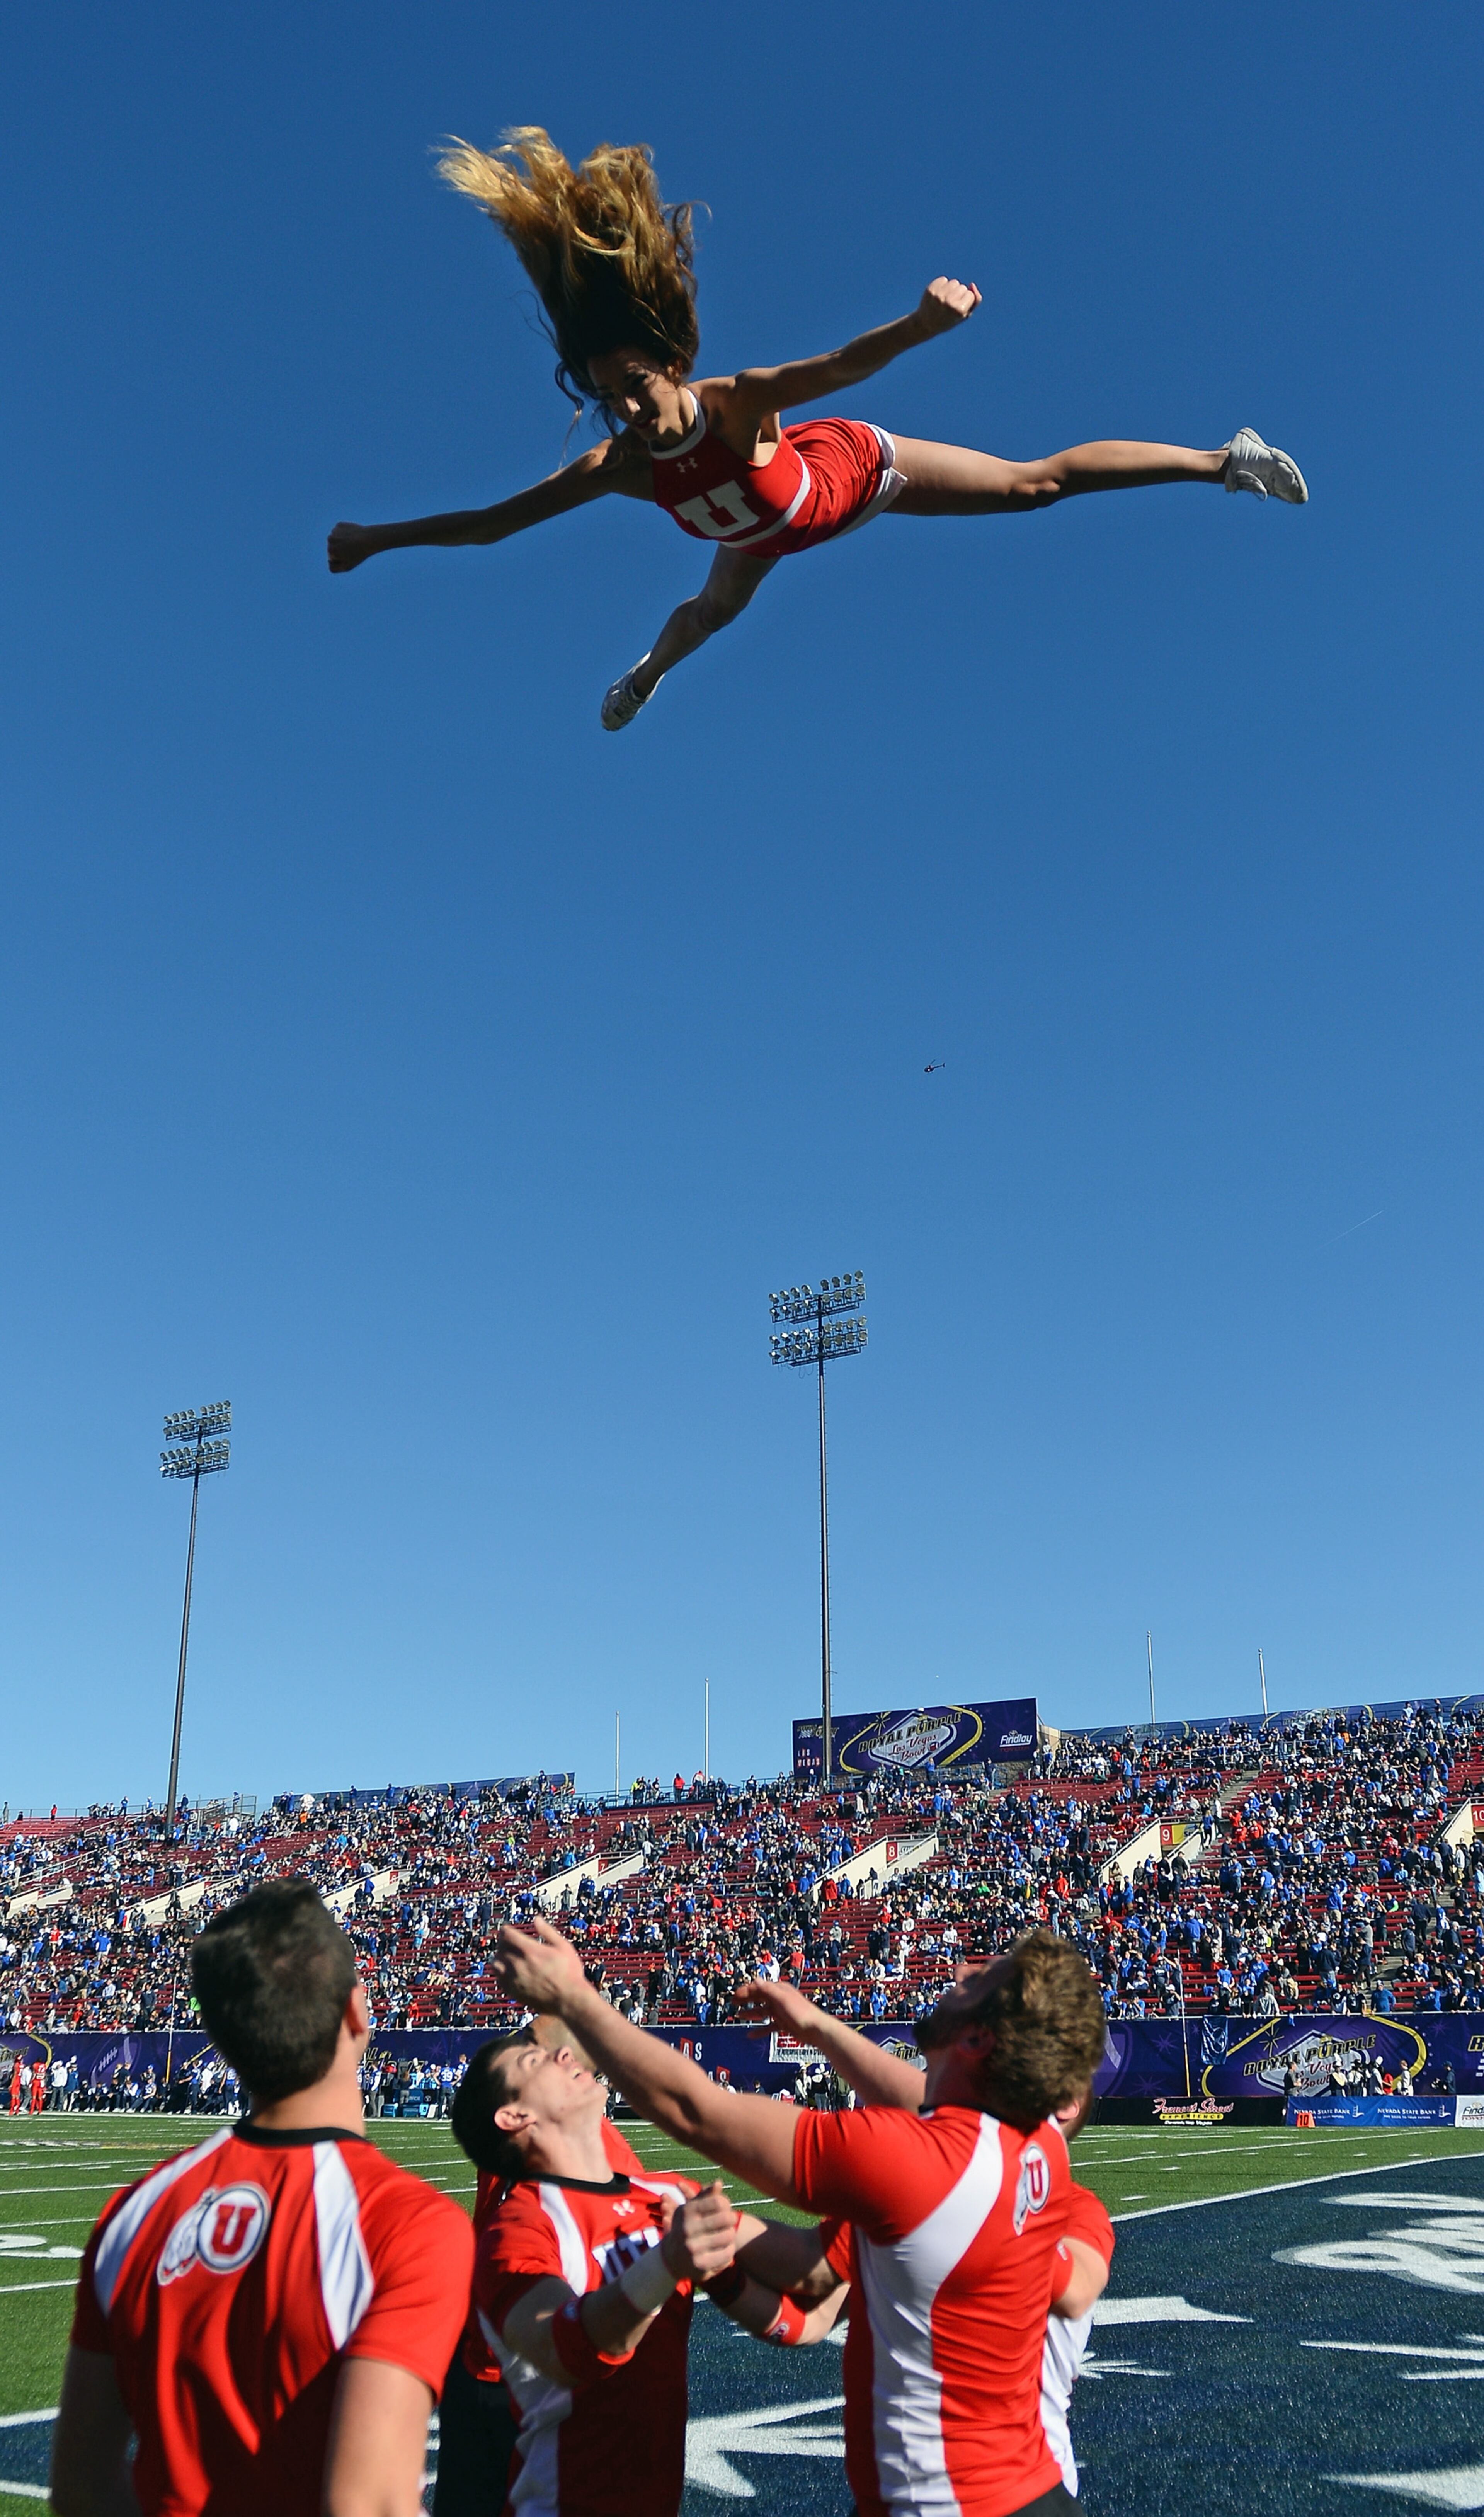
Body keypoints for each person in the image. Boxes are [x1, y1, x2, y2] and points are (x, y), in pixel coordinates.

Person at [328, 128, 1307, 731]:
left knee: (1030, 486)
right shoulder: (617, 467)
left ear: (664, 360)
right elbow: (494, 524)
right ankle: (647, 675)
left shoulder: (737, 401)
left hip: (850, 473)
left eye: (630, 385)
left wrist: (921, 326)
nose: (623, 409)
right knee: (707, 618)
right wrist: (379, 541)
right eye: (604, 397)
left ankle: (1225, 459)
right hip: (760, 535)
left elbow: (837, 368)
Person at [491, 1915, 1108, 2517]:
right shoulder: (1037, 2145)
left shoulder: (918, 2164)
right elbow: (925, 2098)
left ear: (978, 2042)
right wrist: (818, 2028)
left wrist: (570, 1997)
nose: (964, 1970)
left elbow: (694, 2109)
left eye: (979, 1982)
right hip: (1032, 2490)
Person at [50, 1878, 473, 2517]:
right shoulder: (405, 2222)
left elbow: (81, 2490)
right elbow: (370, 2503)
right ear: (358, 2013)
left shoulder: (133, 2212)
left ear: (223, 2037)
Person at [448, 2024, 841, 2517]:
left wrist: (873, 2180)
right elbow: (566, 2349)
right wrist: (668, 2261)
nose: (565, 2052)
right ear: (516, 2115)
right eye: (534, 2061)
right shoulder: (518, 2229)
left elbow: (815, 2271)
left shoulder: (668, 2194)